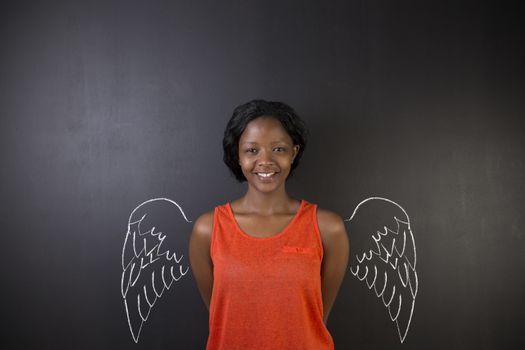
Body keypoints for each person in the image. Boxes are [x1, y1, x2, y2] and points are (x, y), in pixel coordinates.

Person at [189, 99, 349, 350]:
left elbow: (316, 317)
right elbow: (220, 313)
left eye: (278, 149)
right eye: (252, 150)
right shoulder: (208, 229)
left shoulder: (328, 228)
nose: (265, 161)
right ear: (238, 156)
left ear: (293, 152)